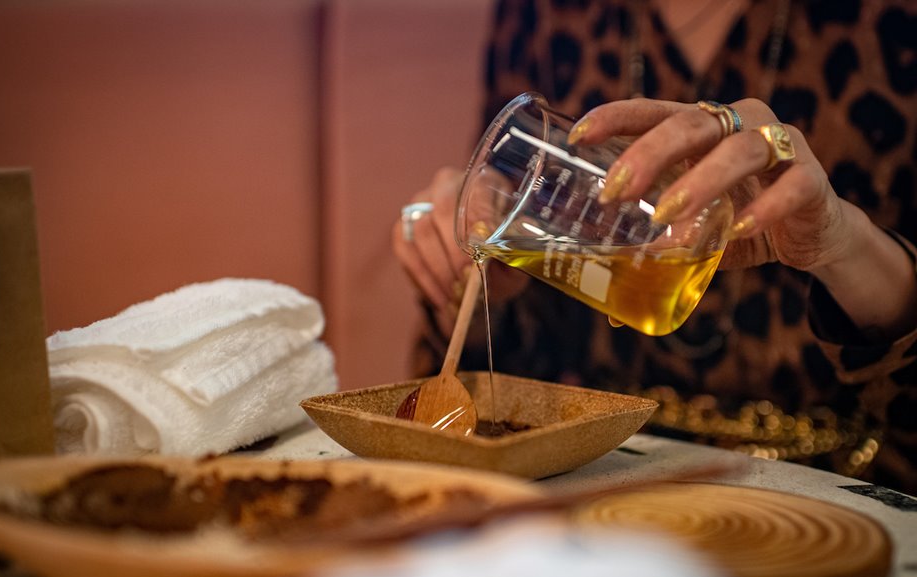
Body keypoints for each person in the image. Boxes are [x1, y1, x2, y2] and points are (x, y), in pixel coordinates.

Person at [392, 0, 917, 494]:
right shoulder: (546, 11)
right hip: (600, 472)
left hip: (848, 484)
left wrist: (845, 247)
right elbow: (507, 361)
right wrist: (470, 270)